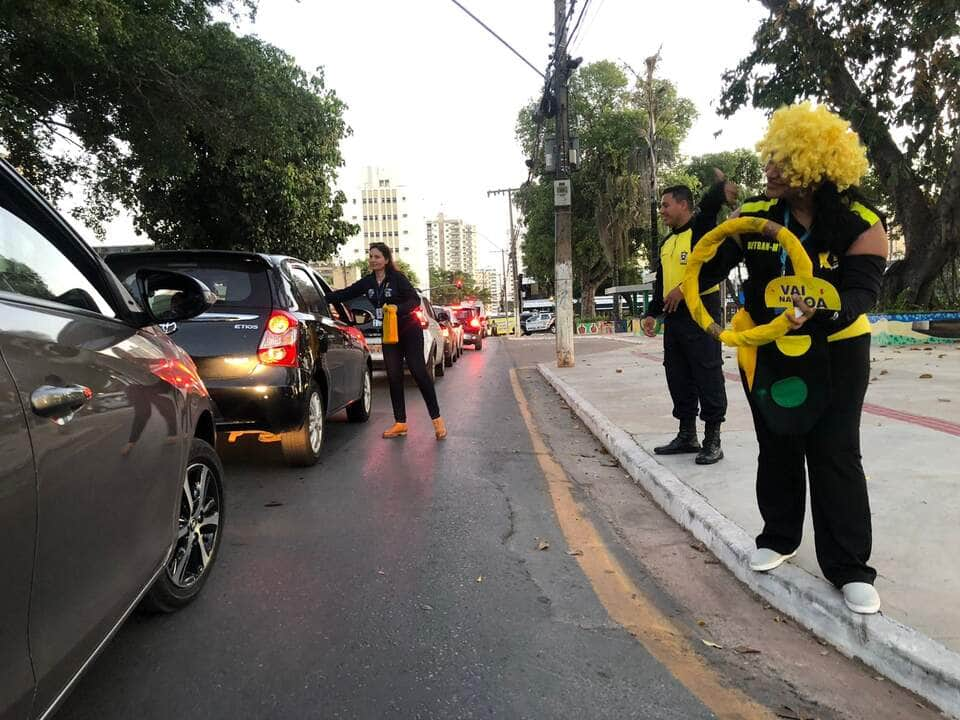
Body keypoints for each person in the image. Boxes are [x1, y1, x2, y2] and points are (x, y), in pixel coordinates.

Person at [696, 102, 888, 614]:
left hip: (840, 347)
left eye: (783, 158)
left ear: (816, 163)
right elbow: (706, 266)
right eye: (770, 157)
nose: (770, 168)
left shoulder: (862, 221)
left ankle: (850, 567)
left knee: (835, 449)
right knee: (776, 441)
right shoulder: (756, 218)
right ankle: (779, 538)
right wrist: (715, 212)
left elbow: (861, 293)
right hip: (768, 350)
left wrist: (819, 313)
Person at [641, 171, 738, 465]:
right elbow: (661, 285)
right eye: (661, 206)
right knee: (678, 376)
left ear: (683, 205)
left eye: (666, 205)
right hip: (674, 321)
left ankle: (713, 439)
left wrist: (720, 189)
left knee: (708, 373)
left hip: (702, 313)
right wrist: (650, 313)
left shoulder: (702, 232)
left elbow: (714, 268)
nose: (662, 211)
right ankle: (687, 435)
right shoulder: (667, 243)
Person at [327, 243, 446, 440]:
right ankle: (400, 423)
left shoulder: (397, 279)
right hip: (389, 333)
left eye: (377, 257)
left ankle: (438, 421)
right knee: (393, 376)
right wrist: (321, 297)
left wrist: (397, 308)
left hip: (409, 330)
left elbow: (415, 301)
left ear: (387, 260)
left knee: (419, 372)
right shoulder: (368, 283)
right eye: (371, 256)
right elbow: (345, 294)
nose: (373, 260)